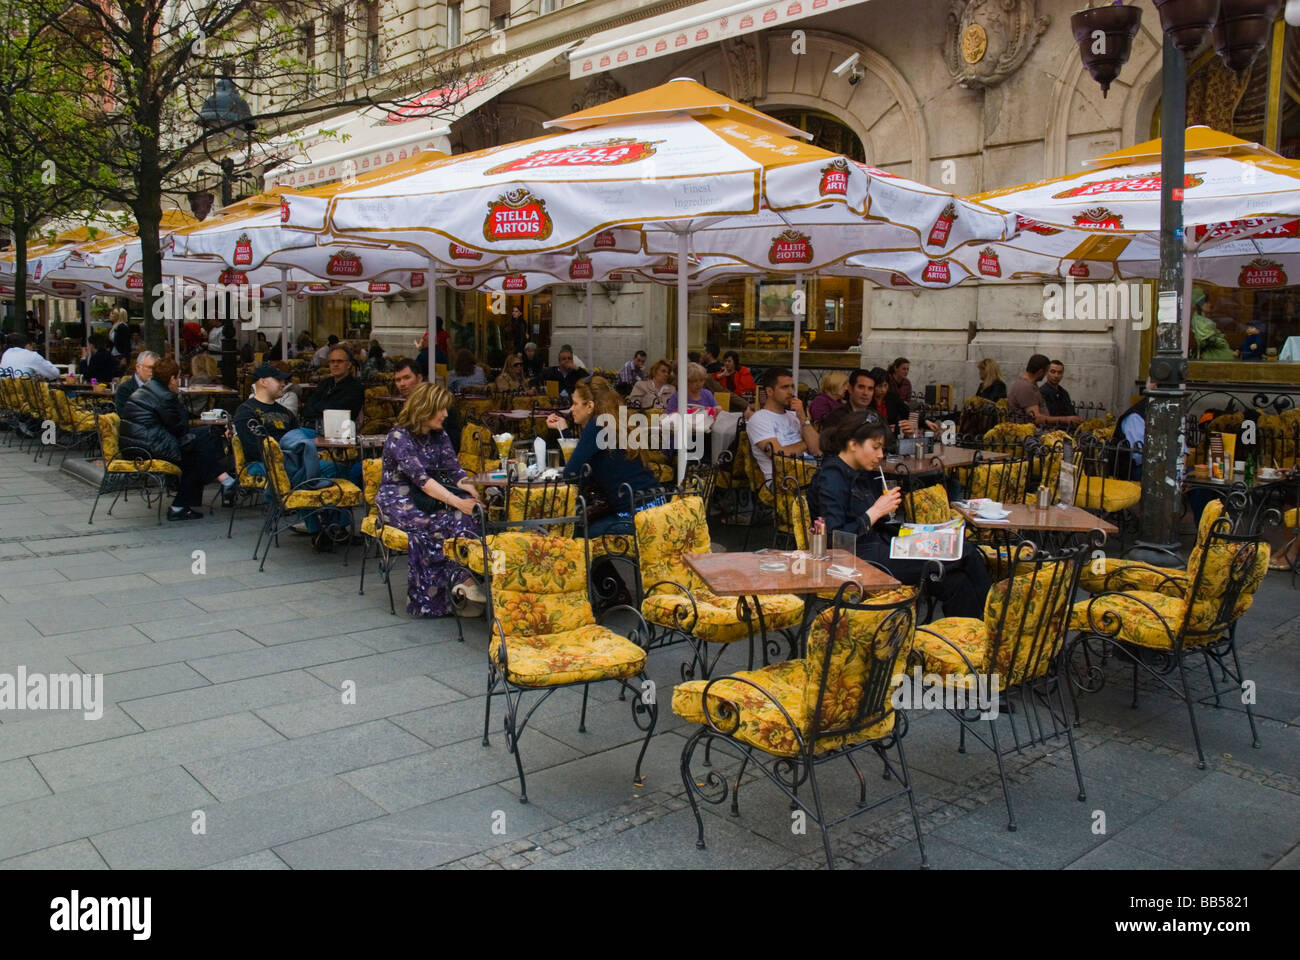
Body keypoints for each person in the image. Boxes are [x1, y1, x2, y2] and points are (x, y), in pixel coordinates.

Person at [808, 410, 991, 619]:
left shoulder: (863, 471)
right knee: (965, 552)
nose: (881, 455)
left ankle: (970, 639)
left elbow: (880, 522)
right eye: (875, 447)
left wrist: (917, 532)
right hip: (859, 561)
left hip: (882, 547)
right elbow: (835, 537)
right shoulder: (832, 477)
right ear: (852, 444)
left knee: (956, 581)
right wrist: (875, 511)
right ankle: (996, 628)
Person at [375, 381, 484, 618]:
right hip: (398, 500)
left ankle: (464, 582)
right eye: (441, 409)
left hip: (425, 497)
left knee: (466, 516)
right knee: (440, 522)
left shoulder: (439, 434)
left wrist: (472, 493)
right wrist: (458, 502)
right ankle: (441, 595)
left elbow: (454, 470)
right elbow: (421, 479)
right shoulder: (398, 436)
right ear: (425, 408)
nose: (446, 414)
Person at [119, 356, 236, 520]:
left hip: (137, 445)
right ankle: (223, 479)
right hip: (149, 446)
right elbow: (180, 427)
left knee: (203, 441)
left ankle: (218, 484)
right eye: (177, 378)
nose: (178, 382)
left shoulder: (149, 389)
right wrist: (178, 401)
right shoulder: (165, 396)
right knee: (200, 446)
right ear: (172, 378)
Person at [547, 383, 660, 535]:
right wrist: (563, 430)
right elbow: (587, 466)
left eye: (575, 403)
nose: (571, 409)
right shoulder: (614, 423)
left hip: (633, 518)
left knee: (576, 532)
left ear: (590, 406)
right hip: (656, 507)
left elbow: (571, 475)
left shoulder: (596, 425)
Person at [747, 366, 820, 481]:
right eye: (785, 387)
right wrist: (806, 445)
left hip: (810, 474)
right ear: (769, 391)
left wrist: (803, 419)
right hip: (783, 483)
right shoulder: (759, 419)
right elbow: (779, 457)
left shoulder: (794, 416)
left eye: (792, 387)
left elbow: (817, 450)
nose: (791, 392)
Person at [1008, 353, 1079, 428]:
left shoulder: (1030, 385)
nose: (1046, 375)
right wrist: (1066, 419)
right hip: (1028, 435)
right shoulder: (1025, 387)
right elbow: (1036, 418)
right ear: (1040, 372)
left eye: (1059, 372)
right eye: (1047, 371)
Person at [302, 345, 365, 424]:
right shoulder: (324, 383)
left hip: (338, 432)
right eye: (332, 361)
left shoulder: (355, 387)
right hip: (312, 428)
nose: (335, 364)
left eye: (340, 361)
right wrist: (323, 411)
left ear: (349, 365)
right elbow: (307, 409)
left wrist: (317, 409)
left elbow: (339, 413)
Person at [1190, 287, 1234, 361]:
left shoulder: (1201, 318)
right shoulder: (1198, 320)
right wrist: (1219, 341)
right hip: (1211, 353)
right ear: (1200, 305)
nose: (1210, 304)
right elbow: (1206, 338)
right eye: (1207, 302)